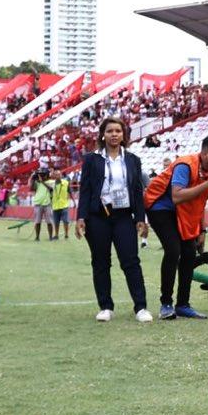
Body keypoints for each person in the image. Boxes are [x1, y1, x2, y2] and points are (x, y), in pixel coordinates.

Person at [76, 115, 152, 322]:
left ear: (123, 134)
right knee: (100, 262)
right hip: (97, 216)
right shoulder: (92, 159)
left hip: (124, 216)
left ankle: (141, 307)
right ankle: (106, 307)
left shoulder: (132, 160)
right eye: (109, 131)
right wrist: (80, 217)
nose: (114, 135)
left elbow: (137, 191)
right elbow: (85, 189)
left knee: (131, 261)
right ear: (103, 134)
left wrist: (140, 218)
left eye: (118, 131)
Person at [146, 136, 208, 319]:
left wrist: (202, 230)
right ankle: (166, 304)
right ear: (205, 153)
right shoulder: (186, 165)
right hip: (160, 207)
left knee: (189, 253)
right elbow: (177, 196)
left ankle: (183, 304)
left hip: (183, 211)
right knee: (173, 251)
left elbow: (200, 202)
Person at [30, 171, 52, 242]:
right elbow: (32, 188)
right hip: (38, 204)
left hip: (47, 204)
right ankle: (37, 237)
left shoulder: (50, 181)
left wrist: (42, 181)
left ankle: (50, 237)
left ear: (46, 175)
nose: (41, 176)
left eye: (43, 175)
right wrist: (33, 179)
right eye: (40, 175)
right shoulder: (37, 182)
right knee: (38, 222)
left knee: (49, 222)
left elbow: (51, 189)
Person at [50, 170, 72, 240]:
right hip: (55, 206)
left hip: (64, 205)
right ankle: (56, 235)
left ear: (61, 175)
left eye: (59, 174)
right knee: (56, 222)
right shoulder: (52, 184)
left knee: (66, 221)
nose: (58, 176)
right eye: (56, 175)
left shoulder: (65, 183)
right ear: (54, 176)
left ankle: (66, 234)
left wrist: (74, 202)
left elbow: (69, 191)